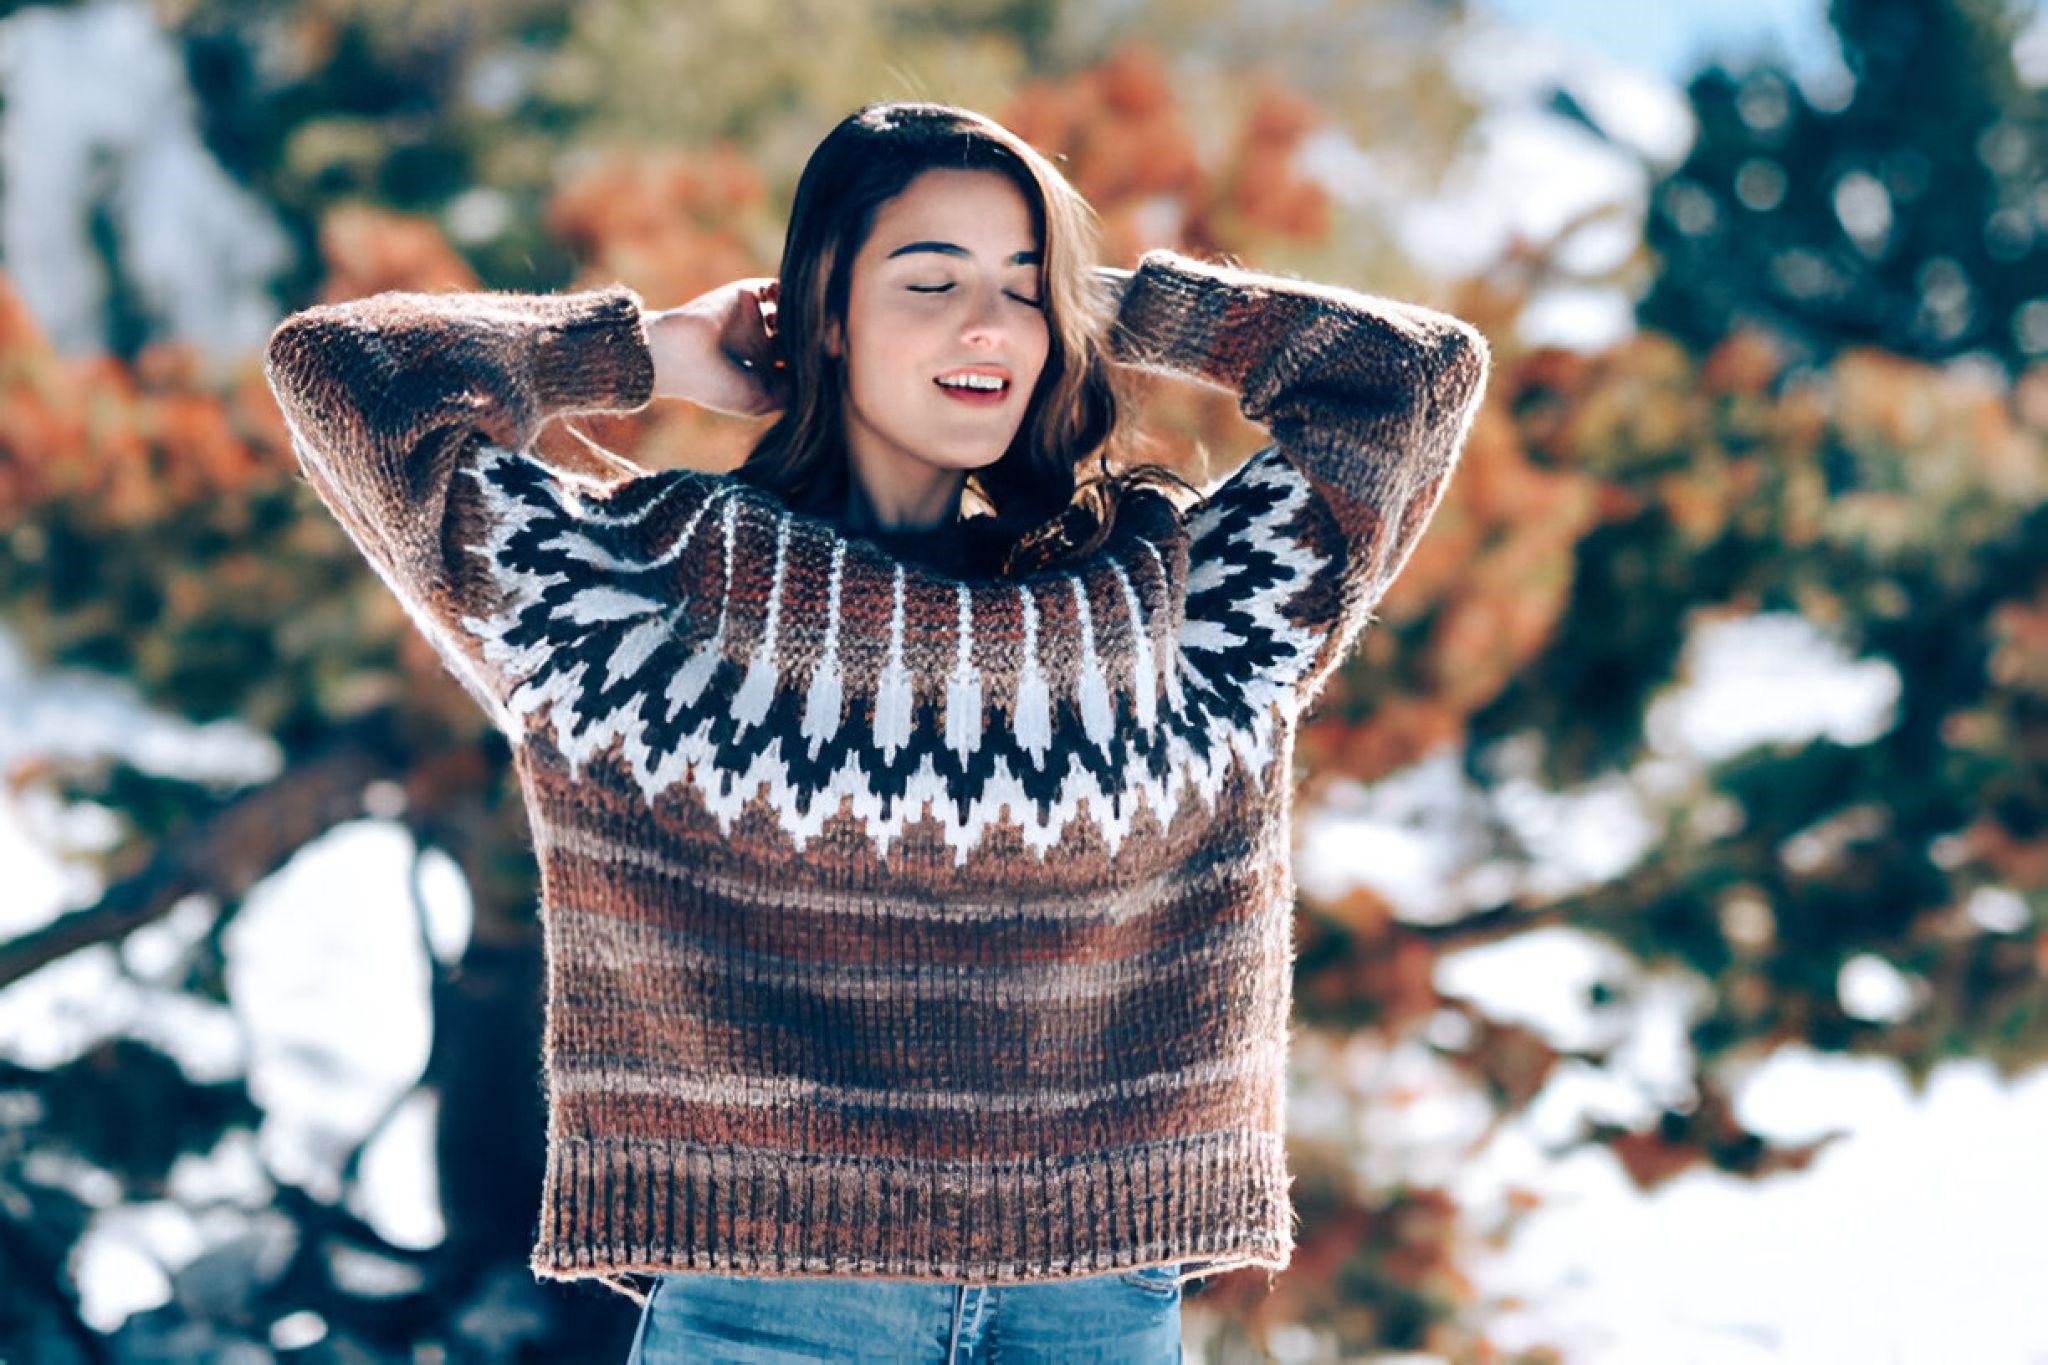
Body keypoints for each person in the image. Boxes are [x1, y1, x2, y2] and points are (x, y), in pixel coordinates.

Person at [263, 100, 1490, 1364]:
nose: (985, 326)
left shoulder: (1167, 608)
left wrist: (1101, 303)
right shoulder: (650, 598)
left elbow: (1408, 380)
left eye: (1020, 289)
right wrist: (645, 353)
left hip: (1098, 1311)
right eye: (928, 280)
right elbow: (350, 377)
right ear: (825, 316)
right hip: (770, 1312)